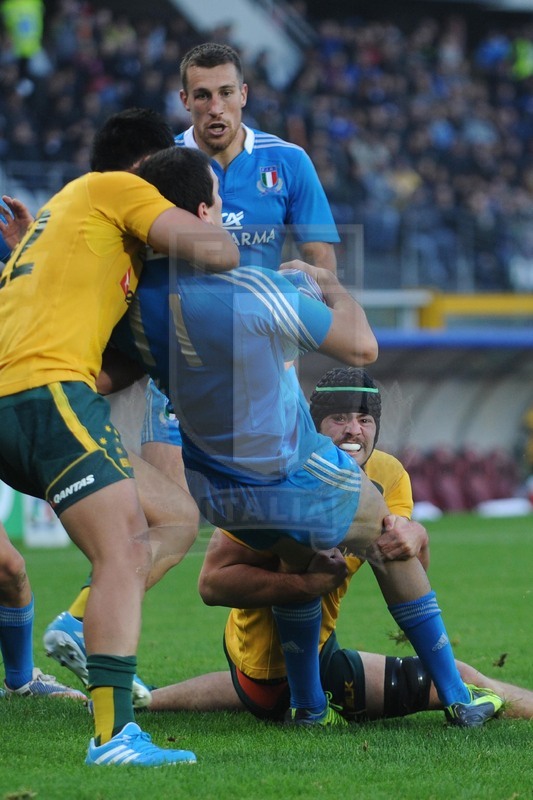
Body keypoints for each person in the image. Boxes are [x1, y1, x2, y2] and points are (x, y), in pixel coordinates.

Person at [100, 145, 502, 729]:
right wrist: (325, 283)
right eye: (216, 199)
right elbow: (363, 347)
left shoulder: (135, 302)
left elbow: (112, 373)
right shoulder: (252, 288)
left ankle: (311, 707)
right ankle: (458, 696)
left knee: (300, 559)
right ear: (204, 215)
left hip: (216, 495)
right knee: (385, 532)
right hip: (285, 476)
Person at [0, 108, 239, 767]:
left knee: (172, 516)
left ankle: (80, 621)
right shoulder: (117, 186)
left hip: (28, 400)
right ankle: (113, 738)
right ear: (144, 170)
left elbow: (100, 366)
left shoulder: (77, 225)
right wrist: (216, 222)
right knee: (125, 547)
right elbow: (217, 249)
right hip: (43, 393)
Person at [147, 367, 533, 721]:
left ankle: (148, 699)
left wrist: (416, 535)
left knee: (391, 539)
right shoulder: (277, 477)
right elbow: (211, 584)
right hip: (268, 667)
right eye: (339, 419)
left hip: (318, 649)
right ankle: (314, 708)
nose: (354, 430)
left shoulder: (387, 473)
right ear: (312, 429)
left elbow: (406, 568)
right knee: (464, 674)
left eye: (364, 419)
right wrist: (303, 585)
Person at [141, 39, 340, 484]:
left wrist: (295, 340)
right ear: (184, 101)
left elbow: (321, 263)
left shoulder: (288, 161)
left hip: (265, 364)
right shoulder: (157, 170)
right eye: (203, 96)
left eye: (226, 93)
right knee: (171, 514)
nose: (216, 107)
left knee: (282, 513)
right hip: (182, 362)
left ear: (244, 95)